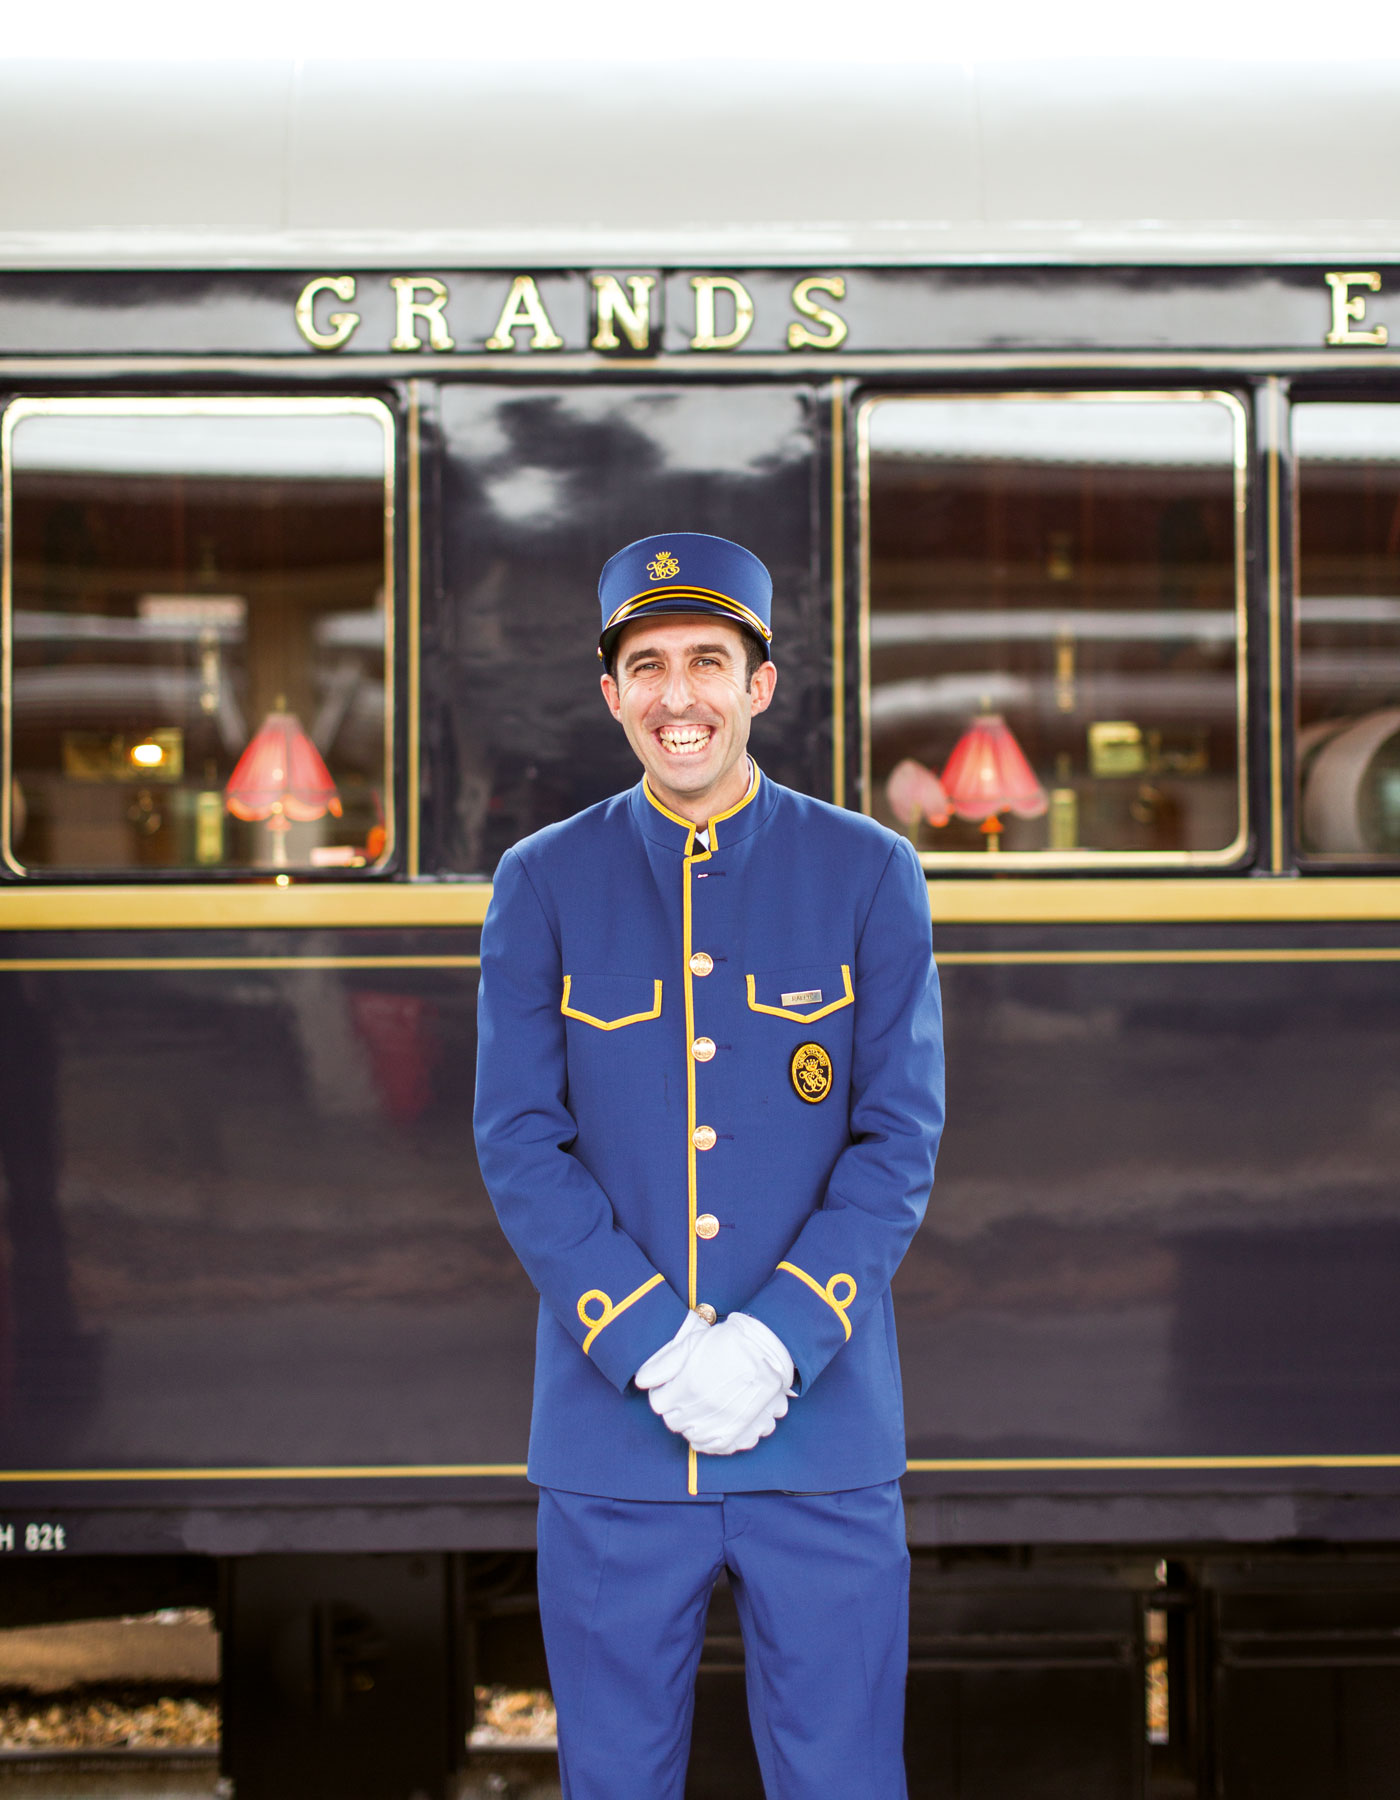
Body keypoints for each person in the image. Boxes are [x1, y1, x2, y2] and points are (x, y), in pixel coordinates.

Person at [474, 531, 944, 1800]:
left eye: (707, 660)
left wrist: (776, 1341)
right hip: (615, 1441)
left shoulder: (865, 871)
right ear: (611, 692)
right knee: (615, 1783)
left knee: (843, 1780)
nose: (678, 695)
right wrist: (657, 1348)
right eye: (647, 665)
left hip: (823, 1434)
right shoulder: (544, 881)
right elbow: (517, 1138)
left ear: (758, 684)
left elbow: (896, 1141)